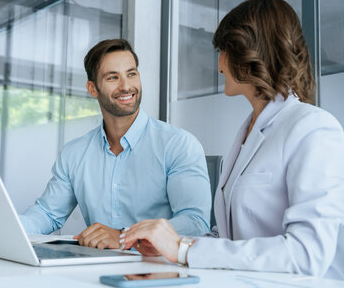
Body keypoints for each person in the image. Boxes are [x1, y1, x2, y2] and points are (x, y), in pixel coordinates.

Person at [121, 0, 344, 280]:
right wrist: (168, 247)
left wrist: (182, 249)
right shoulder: (248, 132)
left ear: (246, 52)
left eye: (223, 50)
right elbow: (230, 238)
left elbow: (306, 254)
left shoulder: (313, 127)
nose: (219, 65)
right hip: (246, 287)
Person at [20, 38, 211, 248]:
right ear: (93, 89)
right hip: (95, 269)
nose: (126, 86)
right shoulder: (74, 153)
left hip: (158, 270)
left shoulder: (177, 144)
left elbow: (195, 223)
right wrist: (8, 227)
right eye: (113, 77)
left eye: (131, 74)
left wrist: (124, 236)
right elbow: (47, 213)